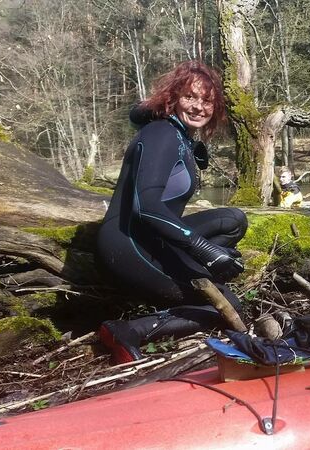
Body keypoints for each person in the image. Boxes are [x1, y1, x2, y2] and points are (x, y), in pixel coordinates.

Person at [96, 60, 247, 364]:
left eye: (206, 100)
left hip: (156, 240)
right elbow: (147, 208)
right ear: (173, 97)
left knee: (233, 220)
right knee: (228, 305)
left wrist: (208, 253)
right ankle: (128, 330)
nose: (198, 107)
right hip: (129, 247)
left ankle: (194, 273)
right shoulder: (161, 134)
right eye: (190, 97)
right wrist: (205, 251)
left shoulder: (180, 136)